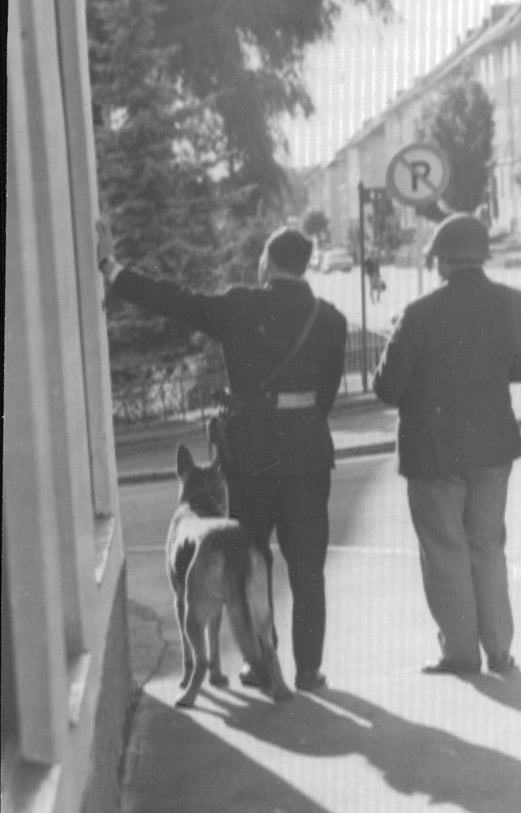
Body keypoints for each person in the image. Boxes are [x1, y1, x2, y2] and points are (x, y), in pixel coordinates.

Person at [96, 218, 347, 692]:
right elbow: (328, 393)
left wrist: (111, 267)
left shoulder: (240, 306)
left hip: (253, 456)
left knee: (252, 559)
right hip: (309, 455)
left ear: (268, 264)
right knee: (308, 563)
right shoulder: (330, 319)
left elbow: (177, 300)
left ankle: (260, 662)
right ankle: (309, 669)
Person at [373, 212, 521, 675]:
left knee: (446, 551)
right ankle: (500, 649)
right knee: (488, 546)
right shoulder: (517, 303)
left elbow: (387, 389)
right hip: (493, 447)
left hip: (434, 453)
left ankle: (460, 652)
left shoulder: (419, 314)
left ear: (442, 262)